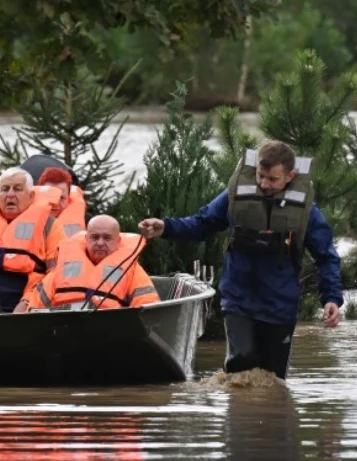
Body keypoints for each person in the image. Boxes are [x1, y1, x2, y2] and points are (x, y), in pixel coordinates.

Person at [139, 139, 342, 380]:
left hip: (280, 304)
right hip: (238, 298)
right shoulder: (236, 195)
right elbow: (203, 223)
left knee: (273, 378)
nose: (264, 184)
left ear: (290, 175)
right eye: (260, 175)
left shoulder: (307, 212)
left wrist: (331, 298)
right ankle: (237, 412)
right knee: (240, 360)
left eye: (272, 179)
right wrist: (166, 227)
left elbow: (326, 257)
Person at [0, 167, 62, 311]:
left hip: (26, 301)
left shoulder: (49, 226)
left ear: (31, 196)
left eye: (17, 189)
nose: (10, 194)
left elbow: (55, 272)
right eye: (5, 189)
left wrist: (27, 303)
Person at [15, 216, 160, 311]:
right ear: (87, 239)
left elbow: (148, 309)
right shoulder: (63, 269)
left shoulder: (132, 270)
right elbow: (34, 309)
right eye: (95, 237)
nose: (100, 243)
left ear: (118, 242)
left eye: (107, 238)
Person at [36, 166, 87, 238]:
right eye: (51, 196)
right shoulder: (22, 218)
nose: (56, 203)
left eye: (61, 198)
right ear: (40, 195)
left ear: (68, 198)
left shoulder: (88, 222)